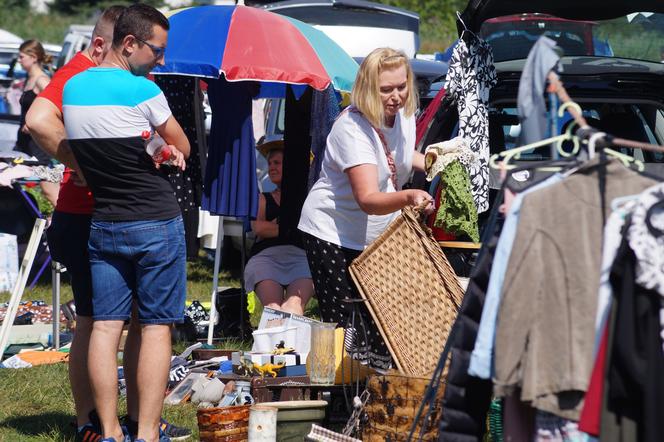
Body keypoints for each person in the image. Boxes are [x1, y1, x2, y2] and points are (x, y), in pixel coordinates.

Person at [26, 6, 191, 442]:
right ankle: (148, 433)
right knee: (155, 327)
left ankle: (108, 431)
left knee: (101, 325)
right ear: (129, 43)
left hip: (104, 220)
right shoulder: (142, 90)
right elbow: (182, 144)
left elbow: (98, 136)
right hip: (153, 219)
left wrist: (80, 164)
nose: (161, 60)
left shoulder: (75, 87)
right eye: (157, 50)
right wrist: (164, 147)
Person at [298, 47, 434, 371]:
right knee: (345, 324)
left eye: (401, 86)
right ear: (368, 89)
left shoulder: (402, 115)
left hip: (373, 237)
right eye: (386, 89)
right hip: (332, 232)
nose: (396, 96)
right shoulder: (351, 128)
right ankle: (340, 404)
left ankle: (373, 396)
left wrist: (433, 159)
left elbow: (398, 158)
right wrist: (410, 196)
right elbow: (369, 198)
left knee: (379, 319)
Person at [245, 140, 314, 315]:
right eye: (269, 164)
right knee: (273, 310)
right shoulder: (263, 198)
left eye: (277, 163)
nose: (271, 168)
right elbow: (259, 228)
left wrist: (276, 226)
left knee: (293, 307)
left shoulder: (309, 198)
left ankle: (289, 342)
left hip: (300, 258)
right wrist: (292, 227)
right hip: (266, 258)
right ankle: (276, 341)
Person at [14, 39, 59, 206]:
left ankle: (61, 217)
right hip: (23, 142)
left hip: (38, 144)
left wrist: (33, 121)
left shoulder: (41, 80)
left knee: (47, 188)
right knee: (11, 179)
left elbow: (55, 105)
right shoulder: (29, 79)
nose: (19, 60)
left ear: (33, 57)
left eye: (21, 57)